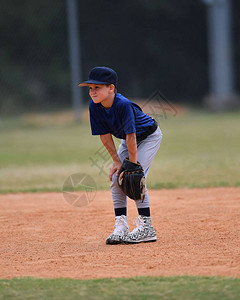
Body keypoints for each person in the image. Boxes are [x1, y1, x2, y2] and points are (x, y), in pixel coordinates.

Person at [78, 66, 162, 244]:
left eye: (97, 87)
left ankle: (147, 228)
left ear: (111, 88)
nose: (92, 92)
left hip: (148, 137)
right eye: (90, 88)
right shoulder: (95, 106)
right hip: (128, 139)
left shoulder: (123, 105)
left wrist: (132, 166)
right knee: (117, 178)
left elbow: (132, 136)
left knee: (134, 178)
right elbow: (104, 135)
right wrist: (117, 162)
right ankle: (121, 226)